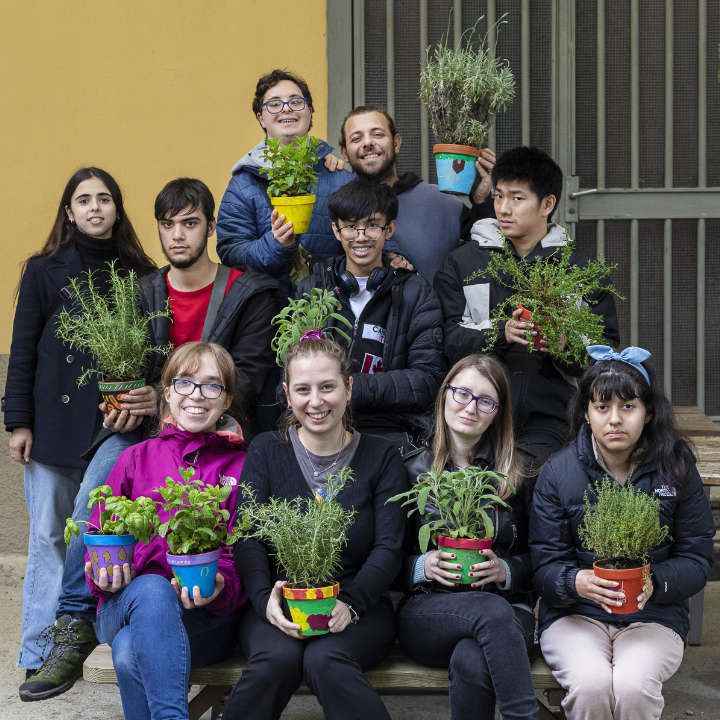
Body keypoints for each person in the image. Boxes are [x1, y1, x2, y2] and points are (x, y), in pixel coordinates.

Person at [23, 177, 279, 701]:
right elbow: (121, 365)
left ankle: (193, 602)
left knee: (222, 511)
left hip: (222, 427)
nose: (178, 235)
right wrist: (123, 401)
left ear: (210, 227)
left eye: (190, 223)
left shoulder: (249, 291)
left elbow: (250, 377)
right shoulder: (143, 291)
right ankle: (75, 619)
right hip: (145, 432)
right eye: (168, 225)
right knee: (95, 493)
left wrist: (169, 397)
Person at [2, 167, 156, 694]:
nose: (95, 207)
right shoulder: (44, 270)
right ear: (69, 212)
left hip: (114, 426)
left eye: (104, 198)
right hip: (52, 425)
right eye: (84, 200)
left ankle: (87, 641)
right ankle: (38, 651)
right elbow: (23, 349)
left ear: (117, 208)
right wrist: (17, 421)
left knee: (101, 533)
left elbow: (152, 350)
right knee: (48, 535)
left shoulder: (140, 273)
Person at [223, 333, 407, 720]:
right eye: (303, 389)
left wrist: (351, 604)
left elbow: (389, 547)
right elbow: (248, 536)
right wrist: (264, 600)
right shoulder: (266, 450)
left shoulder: (382, 456)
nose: (316, 401)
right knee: (276, 658)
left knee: (327, 659)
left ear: (348, 388)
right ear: (287, 395)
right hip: (279, 600)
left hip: (358, 605)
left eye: (327, 387)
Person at [529, 346, 715, 720]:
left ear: (648, 412)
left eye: (628, 407)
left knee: (633, 685)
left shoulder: (675, 467)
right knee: (591, 685)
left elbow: (697, 556)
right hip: (575, 616)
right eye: (602, 407)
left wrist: (655, 581)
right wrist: (574, 581)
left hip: (654, 616)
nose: (615, 419)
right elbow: (544, 563)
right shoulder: (558, 473)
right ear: (586, 412)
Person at [86, 341, 247, 719]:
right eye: (184, 382)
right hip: (124, 604)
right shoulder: (134, 458)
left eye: (212, 385)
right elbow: (99, 535)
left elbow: (244, 554)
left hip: (204, 620)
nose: (197, 395)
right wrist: (101, 578)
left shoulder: (243, 465)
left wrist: (220, 585)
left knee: (129, 652)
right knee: (152, 589)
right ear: (167, 392)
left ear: (227, 400)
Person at [435, 146, 620, 465]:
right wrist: (501, 333)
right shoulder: (464, 263)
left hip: (549, 417)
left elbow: (605, 357)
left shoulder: (578, 271)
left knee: (531, 474)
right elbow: (447, 339)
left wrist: (562, 345)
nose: (503, 208)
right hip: (473, 413)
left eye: (517, 198)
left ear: (547, 204)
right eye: (499, 196)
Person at [397, 354, 538, 720]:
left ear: (498, 413)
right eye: (462, 393)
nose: (471, 408)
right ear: (445, 394)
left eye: (486, 401)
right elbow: (386, 558)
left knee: (472, 660)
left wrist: (507, 570)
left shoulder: (520, 472)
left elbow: (543, 557)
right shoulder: (410, 470)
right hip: (429, 611)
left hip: (507, 611)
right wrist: (422, 566)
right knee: (490, 612)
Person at [297, 178, 446, 450]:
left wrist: (351, 387)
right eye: (351, 226)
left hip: (391, 436)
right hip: (321, 429)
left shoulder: (416, 292)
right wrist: (331, 393)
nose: (361, 236)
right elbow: (287, 375)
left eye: (372, 225)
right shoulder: (312, 290)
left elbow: (426, 381)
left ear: (390, 229)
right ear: (336, 230)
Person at [215, 68, 353, 292]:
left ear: (310, 112)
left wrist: (395, 253)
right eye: (274, 104)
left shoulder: (340, 178)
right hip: (267, 309)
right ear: (261, 117)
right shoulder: (243, 184)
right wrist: (275, 244)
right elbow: (231, 252)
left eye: (296, 102)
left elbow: (371, 231)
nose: (286, 108)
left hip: (332, 308)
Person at [339, 104, 496, 281]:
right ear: (344, 152)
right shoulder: (336, 209)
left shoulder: (444, 203)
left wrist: (482, 201)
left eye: (378, 134)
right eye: (356, 138)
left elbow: (490, 258)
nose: (368, 143)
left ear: (396, 143)